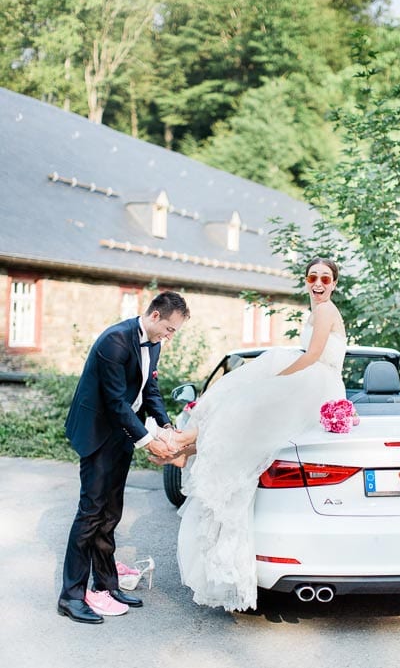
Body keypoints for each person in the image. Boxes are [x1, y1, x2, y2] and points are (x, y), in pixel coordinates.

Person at [154, 257, 346, 612]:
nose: (318, 283)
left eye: (325, 278)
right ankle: (187, 443)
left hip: (318, 382)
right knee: (243, 412)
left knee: (248, 400)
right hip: (320, 383)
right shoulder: (317, 310)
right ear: (306, 281)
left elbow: (316, 354)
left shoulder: (325, 311)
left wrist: (280, 378)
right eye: (312, 277)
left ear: (334, 283)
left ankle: (185, 442)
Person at [58, 291, 190, 624]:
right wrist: (150, 443)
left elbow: (150, 391)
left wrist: (165, 426)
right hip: (97, 432)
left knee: (111, 512)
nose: (170, 336)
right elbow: (116, 402)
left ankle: (105, 585)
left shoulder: (154, 344)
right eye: (171, 329)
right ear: (156, 316)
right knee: (90, 513)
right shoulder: (114, 341)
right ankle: (71, 596)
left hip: (122, 432)